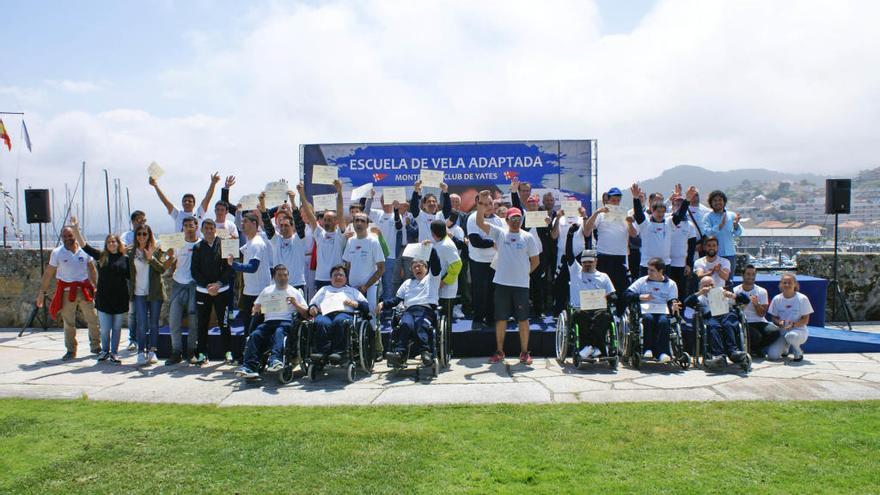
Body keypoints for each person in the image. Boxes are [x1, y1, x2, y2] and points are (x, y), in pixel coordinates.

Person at [475, 191, 540, 365]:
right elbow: (479, 222)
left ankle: (525, 352)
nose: (516, 221)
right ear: (507, 220)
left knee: (523, 319)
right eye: (513, 218)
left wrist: (524, 274)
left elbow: (535, 261)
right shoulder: (500, 233)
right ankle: (499, 351)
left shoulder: (528, 237)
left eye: (519, 218)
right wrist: (481, 205)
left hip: (521, 285)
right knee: (501, 318)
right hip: (502, 283)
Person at [35, 225, 101, 360]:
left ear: (75, 236)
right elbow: (49, 273)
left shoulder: (84, 251)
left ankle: (96, 346)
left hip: (84, 289)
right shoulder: (57, 253)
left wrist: (95, 286)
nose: (67, 239)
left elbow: (92, 269)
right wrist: (42, 292)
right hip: (66, 291)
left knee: (93, 318)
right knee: (69, 322)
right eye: (64, 237)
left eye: (70, 236)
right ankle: (71, 350)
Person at [69, 218, 128, 363]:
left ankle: (114, 352)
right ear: (106, 245)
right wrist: (76, 229)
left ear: (118, 243)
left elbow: (132, 276)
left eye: (114, 241)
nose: (112, 244)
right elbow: (84, 246)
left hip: (120, 299)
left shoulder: (125, 259)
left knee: (117, 329)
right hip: (104, 299)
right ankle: (104, 351)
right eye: (109, 242)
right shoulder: (101, 256)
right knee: (106, 328)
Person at [235, 264, 309, 379]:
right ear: (274, 277)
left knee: (279, 332)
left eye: (285, 275)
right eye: (279, 275)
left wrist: (295, 304)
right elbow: (256, 306)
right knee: (255, 335)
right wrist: (256, 308)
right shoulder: (267, 290)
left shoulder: (294, 292)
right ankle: (249, 366)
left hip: (286, 322)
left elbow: (306, 313)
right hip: (269, 322)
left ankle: (276, 360)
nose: (283, 278)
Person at [378, 254, 442, 367]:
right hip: (409, 311)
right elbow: (396, 300)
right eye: (414, 267)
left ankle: (425, 353)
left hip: (426, 310)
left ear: (426, 268)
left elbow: (436, 265)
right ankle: (399, 353)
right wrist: (383, 304)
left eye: (420, 266)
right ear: (412, 270)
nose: (417, 268)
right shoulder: (407, 283)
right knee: (405, 324)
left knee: (420, 325)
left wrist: (431, 249)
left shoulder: (432, 279)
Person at [228, 212, 273, 364]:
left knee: (257, 328)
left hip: (259, 294)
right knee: (248, 326)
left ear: (255, 224)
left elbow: (252, 267)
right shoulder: (249, 243)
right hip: (248, 292)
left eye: (246, 221)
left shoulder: (258, 243)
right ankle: (249, 357)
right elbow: (238, 251)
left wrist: (233, 265)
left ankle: (257, 359)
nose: (242, 224)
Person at [562, 233, 616, 360]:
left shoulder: (603, 277)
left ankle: (593, 347)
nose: (587, 264)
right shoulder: (576, 271)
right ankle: (592, 347)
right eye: (584, 262)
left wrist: (611, 297)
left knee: (605, 316)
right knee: (581, 316)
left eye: (590, 262)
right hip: (580, 308)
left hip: (599, 309)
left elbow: (613, 294)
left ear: (596, 261)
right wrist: (570, 235)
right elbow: (569, 254)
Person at [190, 218, 234, 365]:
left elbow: (229, 269)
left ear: (215, 230)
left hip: (223, 291)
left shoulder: (225, 244)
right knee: (202, 323)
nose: (209, 231)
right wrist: (208, 286)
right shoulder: (197, 247)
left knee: (225, 322)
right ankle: (202, 354)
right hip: (203, 291)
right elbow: (194, 271)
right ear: (201, 230)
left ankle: (228, 352)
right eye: (206, 228)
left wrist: (219, 284)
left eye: (211, 228)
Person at [683, 276, 750, 369]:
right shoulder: (701, 298)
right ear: (701, 287)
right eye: (705, 286)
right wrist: (700, 292)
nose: (709, 287)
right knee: (713, 326)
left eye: (711, 285)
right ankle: (719, 355)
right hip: (711, 316)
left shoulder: (723, 292)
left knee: (728, 324)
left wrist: (733, 295)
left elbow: (746, 300)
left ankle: (733, 352)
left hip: (726, 314)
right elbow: (686, 302)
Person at [307, 265, 370, 364]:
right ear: (330, 278)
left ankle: (339, 352)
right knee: (320, 322)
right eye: (335, 275)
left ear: (345, 278)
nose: (338, 277)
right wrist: (312, 308)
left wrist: (355, 304)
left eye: (341, 275)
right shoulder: (324, 289)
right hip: (325, 314)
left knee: (340, 321)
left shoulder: (352, 291)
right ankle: (322, 352)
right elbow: (312, 303)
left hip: (344, 313)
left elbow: (366, 307)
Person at [583, 187, 630, 313]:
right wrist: (596, 213)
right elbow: (587, 231)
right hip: (603, 256)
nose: (615, 202)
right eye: (613, 200)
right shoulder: (601, 215)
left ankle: (620, 317)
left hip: (620, 257)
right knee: (601, 288)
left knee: (621, 290)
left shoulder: (626, 214)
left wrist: (630, 222)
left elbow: (634, 234)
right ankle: (600, 316)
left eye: (618, 200)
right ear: (608, 201)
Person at [625, 257, 681, 363]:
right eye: (648, 269)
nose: (648, 272)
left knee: (663, 322)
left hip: (662, 310)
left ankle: (663, 352)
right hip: (646, 310)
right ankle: (647, 349)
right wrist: (640, 297)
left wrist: (674, 304)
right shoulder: (642, 281)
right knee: (648, 319)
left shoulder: (671, 284)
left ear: (660, 271)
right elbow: (627, 294)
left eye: (652, 270)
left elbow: (672, 299)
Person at [628, 183, 690, 276]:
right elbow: (638, 213)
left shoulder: (669, 223)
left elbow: (680, 214)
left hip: (664, 265)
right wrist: (636, 198)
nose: (660, 214)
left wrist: (687, 200)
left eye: (662, 212)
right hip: (647, 265)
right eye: (658, 212)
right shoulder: (645, 223)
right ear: (652, 211)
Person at [128, 224, 169, 366]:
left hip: (154, 292)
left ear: (149, 235)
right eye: (139, 234)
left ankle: (152, 351)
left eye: (144, 234)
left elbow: (163, 269)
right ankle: (140, 352)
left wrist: (151, 258)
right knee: (141, 324)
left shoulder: (157, 250)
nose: (141, 237)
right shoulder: (131, 252)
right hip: (139, 292)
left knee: (153, 323)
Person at [164, 217, 200, 365]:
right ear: (182, 228)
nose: (188, 228)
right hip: (178, 284)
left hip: (194, 286)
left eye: (191, 225)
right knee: (173, 320)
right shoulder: (177, 243)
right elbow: (167, 264)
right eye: (185, 226)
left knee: (193, 322)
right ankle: (176, 351)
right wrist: (170, 256)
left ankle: (191, 351)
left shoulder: (201, 244)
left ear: (196, 226)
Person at [301, 179, 347, 291]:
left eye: (329, 220)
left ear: (336, 221)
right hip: (320, 278)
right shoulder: (319, 233)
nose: (326, 222)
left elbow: (340, 213)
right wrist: (302, 194)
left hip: (336, 279)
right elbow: (309, 213)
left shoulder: (340, 234)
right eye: (325, 219)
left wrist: (339, 192)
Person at [467, 191, 504, 328]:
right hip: (478, 261)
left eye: (490, 203)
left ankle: (490, 319)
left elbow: (501, 240)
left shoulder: (498, 220)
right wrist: (492, 243)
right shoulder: (472, 218)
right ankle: (477, 319)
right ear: (478, 204)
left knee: (493, 291)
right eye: (484, 204)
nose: (488, 206)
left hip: (494, 261)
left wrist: (493, 243)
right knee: (479, 291)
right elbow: (475, 241)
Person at [342, 212, 385, 310]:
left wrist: (365, 286)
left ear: (367, 225)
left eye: (362, 221)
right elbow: (348, 265)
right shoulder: (350, 241)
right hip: (353, 287)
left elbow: (381, 269)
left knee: (372, 313)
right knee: (353, 314)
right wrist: (348, 283)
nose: (359, 223)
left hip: (371, 287)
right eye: (356, 220)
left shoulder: (373, 241)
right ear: (353, 224)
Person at [149, 172, 221, 232]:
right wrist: (155, 186)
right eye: (185, 201)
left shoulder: (199, 212)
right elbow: (165, 201)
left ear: (194, 204)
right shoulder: (177, 214)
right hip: (181, 248)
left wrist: (213, 183)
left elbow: (207, 198)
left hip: (197, 247)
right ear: (182, 203)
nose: (187, 202)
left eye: (190, 201)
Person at [733, 265, 779, 357]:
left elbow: (762, 314)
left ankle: (755, 349)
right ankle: (753, 349)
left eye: (753, 274)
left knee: (775, 332)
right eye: (748, 274)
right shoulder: (735, 291)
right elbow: (734, 312)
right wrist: (743, 305)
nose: (751, 277)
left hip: (759, 321)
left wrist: (756, 304)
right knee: (756, 336)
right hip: (745, 321)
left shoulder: (762, 291)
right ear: (743, 275)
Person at [766, 273, 813, 362]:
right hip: (783, 332)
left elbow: (806, 319)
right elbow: (774, 317)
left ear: (795, 284)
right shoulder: (777, 299)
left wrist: (794, 324)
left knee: (791, 336)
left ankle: (798, 351)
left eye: (789, 282)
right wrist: (778, 322)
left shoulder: (802, 298)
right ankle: (785, 349)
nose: (787, 285)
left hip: (798, 332)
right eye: (784, 282)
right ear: (780, 284)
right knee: (772, 356)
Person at [430, 220, 462, 327]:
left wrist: (444, 282)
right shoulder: (440, 243)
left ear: (433, 233)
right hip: (439, 289)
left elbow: (457, 265)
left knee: (446, 322)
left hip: (447, 290)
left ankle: (449, 344)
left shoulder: (447, 245)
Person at [701, 190, 742, 275]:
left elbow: (738, 233)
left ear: (724, 201)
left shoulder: (732, 215)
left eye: (720, 200)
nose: (717, 202)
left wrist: (735, 226)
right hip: (714, 255)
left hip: (730, 254)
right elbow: (707, 233)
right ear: (711, 203)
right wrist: (719, 226)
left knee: (729, 281)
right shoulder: (707, 217)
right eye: (715, 200)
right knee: (714, 280)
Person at [667, 186, 698, 298]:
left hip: (681, 265)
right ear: (673, 206)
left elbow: (692, 247)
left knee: (681, 293)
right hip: (668, 264)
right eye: (677, 204)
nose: (679, 207)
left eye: (681, 204)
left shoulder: (689, 225)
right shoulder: (667, 221)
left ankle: (680, 314)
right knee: (668, 292)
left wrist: (689, 264)